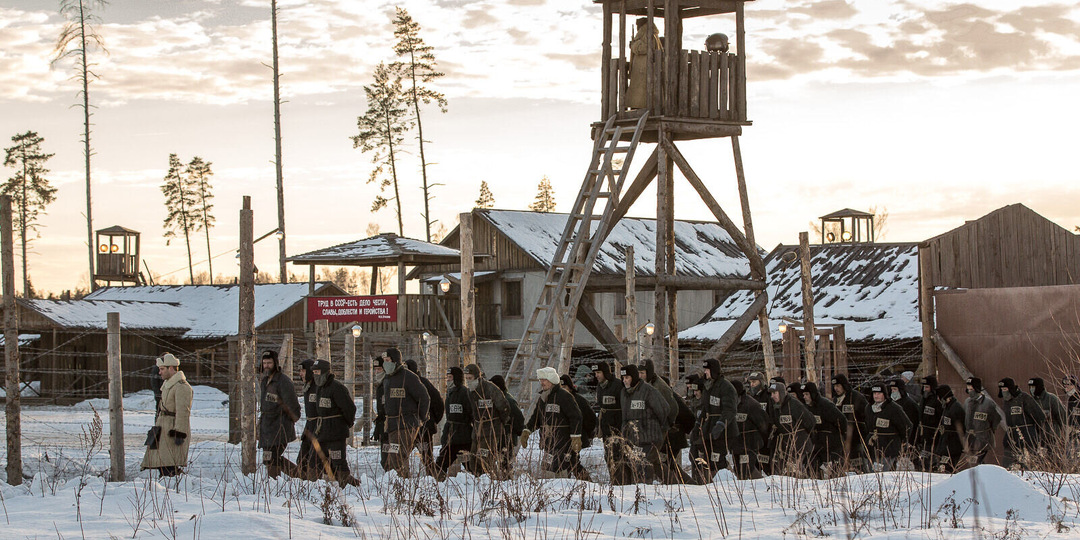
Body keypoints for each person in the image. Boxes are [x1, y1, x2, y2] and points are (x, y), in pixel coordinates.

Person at [522, 367, 583, 479]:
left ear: (551, 380)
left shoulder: (564, 396)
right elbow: (536, 418)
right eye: (540, 380)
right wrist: (527, 430)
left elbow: (576, 417)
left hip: (563, 443)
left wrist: (576, 436)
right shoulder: (543, 398)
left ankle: (582, 489)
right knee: (548, 470)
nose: (541, 383)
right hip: (548, 442)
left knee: (563, 470)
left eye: (544, 380)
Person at [615, 364, 669, 484]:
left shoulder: (648, 391)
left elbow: (664, 409)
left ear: (634, 377)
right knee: (653, 464)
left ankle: (645, 489)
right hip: (632, 438)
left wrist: (654, 426)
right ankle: (680, 483)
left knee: (643, 464)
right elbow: (625, 416)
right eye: (623, 378)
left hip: (649, 437)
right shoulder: (624, 393)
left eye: (627, 378)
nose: (625, 381)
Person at [141, 353, 193, 478]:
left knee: (168, 465)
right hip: (162, 428)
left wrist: (179, 433)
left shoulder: (182, 387)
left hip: (172, 429)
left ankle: (173, 489)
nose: (159, 373)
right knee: (161, 463)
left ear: (171, 368)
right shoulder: (167, 386)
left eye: (162, 369)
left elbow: (183, 412)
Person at [380, 349, 430, 478]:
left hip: (406, 424)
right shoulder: (387, 378)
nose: (385, 364)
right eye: (384, 361)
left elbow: (424, 398)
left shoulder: (409, 377)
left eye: (388, 361)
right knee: (395, 456)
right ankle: (403, 480)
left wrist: (421, 417)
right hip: (392, 424)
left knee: (396, 457)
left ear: (396, 361)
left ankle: (399, 482)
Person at [310, 360, 358, 486]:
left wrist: (346, 424)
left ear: (325, 372)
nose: (315, 375)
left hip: (336, 432)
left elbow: (350, 408)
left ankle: (348, 485)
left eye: (317, 372)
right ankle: (318, 486)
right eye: (314, 372)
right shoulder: (319, 388)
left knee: (338, 460)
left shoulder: (337, 388)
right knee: (317, 459)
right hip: (323, 432)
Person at [692, 358, 738, 484]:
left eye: (707, 370)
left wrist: (721, 424)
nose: (705, 372)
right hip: (709, 429)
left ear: (714, 371)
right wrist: (698, 425)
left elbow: (730, 410)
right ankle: (710, 484)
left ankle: (726, 482)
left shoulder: (726, 387)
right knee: (708, 460)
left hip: (724, 431)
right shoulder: (708, 387)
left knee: (717, 459)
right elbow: (705, 408)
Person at [258, 350, 301, 478]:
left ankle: (299, 477)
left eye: (269, 363)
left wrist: (288, 422)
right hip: (266, 427)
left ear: (275, 363)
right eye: (264, 363)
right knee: (268, 458)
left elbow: (293, 406)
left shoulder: (283, 382)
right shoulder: (264, 381)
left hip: (279, 426)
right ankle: (274, 482)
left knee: (273, 457)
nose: (266, 366)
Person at [465, 364, 511, 479]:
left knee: (484, 458)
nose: (468, 381)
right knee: (473, 459)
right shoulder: (470, 392)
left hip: (491, 430)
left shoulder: (490, 388)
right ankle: (477, 480)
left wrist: (499, 424)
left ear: (476, 377)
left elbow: (504, 407)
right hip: (477, 430)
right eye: (466, 378)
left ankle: (490, 480)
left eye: (470, 378)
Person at [405, 357, 443, 478]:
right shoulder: (402, 384)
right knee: (402, 456)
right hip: (408, 428)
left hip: (423, 428)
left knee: (427, 457)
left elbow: (438, 403)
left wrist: (431, 421)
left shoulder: (423, 383)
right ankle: (402, 478)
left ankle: (433, 478)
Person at [767, 381, 814, 476]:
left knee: (795, 471)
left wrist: (802, 435)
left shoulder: (794, 404)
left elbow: (810, 421)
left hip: (799, 443)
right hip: (784, 445)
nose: (773, 396)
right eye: (771, 393)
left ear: (781, 393)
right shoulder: (774, 406)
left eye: (775, 393)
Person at [800, 381, 846, 476]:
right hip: (816, 446)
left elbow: (841, 420)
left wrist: (837, 437)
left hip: (831, 445)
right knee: (812, 467)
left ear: (813, 394)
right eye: (803, 394)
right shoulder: (807, 407)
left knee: (833, 473)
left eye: (807, 394)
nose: (804, 397)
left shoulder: (826, 405)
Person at [642, 360, 678, 480]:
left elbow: (673, 407)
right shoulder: (645, 386)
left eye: (643, 373)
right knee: (654, 460)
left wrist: (666, 423)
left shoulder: (659, 387)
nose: (640, 376)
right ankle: (676, 481)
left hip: (658, 427)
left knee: (649, 458)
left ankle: (646, 485)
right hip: (649, 427)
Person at [865, 382, 912, 472]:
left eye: (879, 393)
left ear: (885, 394)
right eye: (874, 393)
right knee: (872, 475)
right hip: (872, 448)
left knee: (883, 474)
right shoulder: (869, 408)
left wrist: (902, 442)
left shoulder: (894, 408)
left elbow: (907, 426)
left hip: (889, 448)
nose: (876, 396)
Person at [999, 377, 1045, 469]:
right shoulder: (1006, 401)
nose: (1004, 392)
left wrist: (1036, 434)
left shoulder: (1024, 398)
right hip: (1012, 435)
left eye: (1005, 389)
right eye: (1002, 390)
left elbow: (1040, 416)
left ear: (1011, 388)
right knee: (1007, 462)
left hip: (1027, 434)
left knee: (1029, 463)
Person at [436, 367, 473, 480]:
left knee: (470, 465)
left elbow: (472, 413)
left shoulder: (465, 393)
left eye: (450, 377)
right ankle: (438, 484)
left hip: (464, 438)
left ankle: (480, 482)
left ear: (457, 378)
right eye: (447, 377)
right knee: (440, 463)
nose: (448, 380)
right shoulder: (450, 394)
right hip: (451, 438)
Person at [730, 379, 769, 479]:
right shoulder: (730, 404)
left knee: (747, 469)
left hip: (750, 444)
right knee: (738, 470)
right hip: (736, 445)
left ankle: (763, 486)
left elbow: (763, 424)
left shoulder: (751, 405)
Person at [560, 374, 595, 481]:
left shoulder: (579, 401)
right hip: (563, 438)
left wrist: (585, 434)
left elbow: (591, 419)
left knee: (573, 462)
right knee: (567, 462)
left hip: (576, 437)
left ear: (570, 387)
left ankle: (587, 483)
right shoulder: (559, 400)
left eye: (565, 387)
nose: (563, 390)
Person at [832, 373, 869, 472]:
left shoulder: (856, 397)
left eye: (838, 386)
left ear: (844, 385)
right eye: (834, 386)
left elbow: (867, 415)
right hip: (841, 439)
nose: (836, 388)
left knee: (858, 464)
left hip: (856, 437)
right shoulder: (836, 400)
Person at [592, 361, 623, 479]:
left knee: (617, 455)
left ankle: (619, 480)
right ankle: (613, 478)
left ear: (605, 372)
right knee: (608, 455)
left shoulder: (617, 385)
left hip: (617, 426)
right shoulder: (600, 387)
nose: (597, 375)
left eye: (599, 372)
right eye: (595, 373)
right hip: (605, 427)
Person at [963, 377, 1000, 465]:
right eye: (968, 389)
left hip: (983, 439)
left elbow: (996, 419)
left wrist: (989, 431)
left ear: (977, 388)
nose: (969, 391)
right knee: (972, 463)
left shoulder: (988, 403)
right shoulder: (967, 402)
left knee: (976, 461)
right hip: (970, 440)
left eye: (971, 389)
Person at [932, 385, 968, 473]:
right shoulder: (946, 408)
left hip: (953, 446)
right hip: (945, 444)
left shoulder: (956, 408)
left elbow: (961, 428)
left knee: (948, 470)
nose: (938, 400)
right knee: (942, 468)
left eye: (939, 397)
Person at [627, 17, 662, 109]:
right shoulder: (651, 34)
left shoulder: (646, 34)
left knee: (641, 93)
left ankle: (639, 108)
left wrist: (634, 45)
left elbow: (645, 48)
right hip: (643, 67)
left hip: (643, 68)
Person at [490, 374, 525, 465]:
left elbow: (519, 419)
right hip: (497, 438)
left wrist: (517, 431)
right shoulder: (495, 399)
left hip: (506, 438)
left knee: (505, 466)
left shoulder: (508, 401)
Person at [295, 358, 320, 480]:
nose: (300, 374)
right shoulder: (307, 387)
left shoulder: (318, 387)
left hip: (319, 427)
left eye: (303, 371)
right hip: (309, 426)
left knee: (314, 460)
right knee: (302, 460)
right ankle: (305, 485)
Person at [913, 375, 943, 471]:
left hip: (933, 436)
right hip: (923, 435)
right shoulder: (923, 400)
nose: (925, 389)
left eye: (927, 387)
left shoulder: (937, 401)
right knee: (922, 460)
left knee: (929, 461)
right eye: (924, 387)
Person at [1028, 377, 1066, 444]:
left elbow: (1062, 417)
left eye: (1033, 387)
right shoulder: (1030, 401)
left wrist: (1063, 436)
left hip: (1053, 438)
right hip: (1037, 439)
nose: (1031, 389)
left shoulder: (1051, 399)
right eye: (1030, 387)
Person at [371, 355, 387, 469]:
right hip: (382, 424)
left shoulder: (388, 384)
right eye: (375, 370)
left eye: (379, 369)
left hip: (391, 424)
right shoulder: (380, 386)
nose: (377, 372)